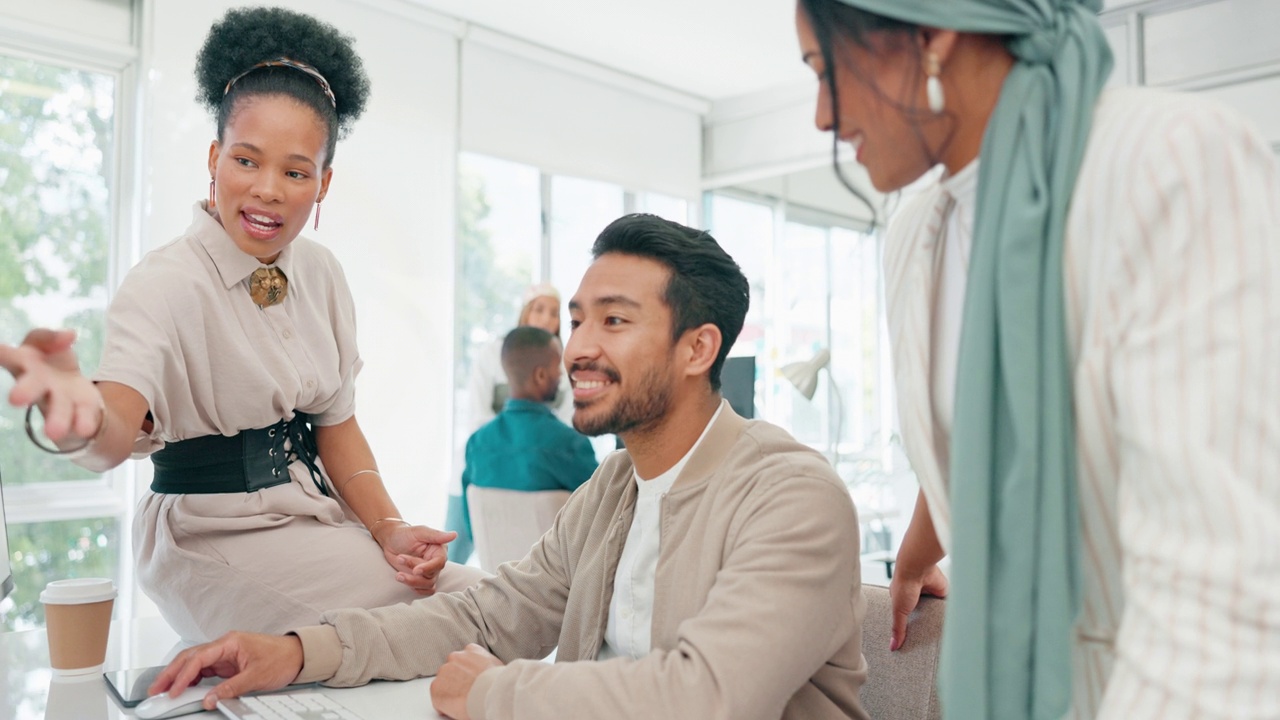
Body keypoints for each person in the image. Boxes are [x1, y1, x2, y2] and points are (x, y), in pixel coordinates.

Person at [147, 214, 870, 720]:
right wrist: (299, 653)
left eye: (613, 322)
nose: (578, 349)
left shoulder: (795, 497)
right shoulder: (613, 487)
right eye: (578, 319)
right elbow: (490, 616)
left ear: (697, 349)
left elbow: (709, 699)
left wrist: (497, 696)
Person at [795, 1, 1280, 718]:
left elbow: (1218, 596)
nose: (821, 117)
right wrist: (918, 551)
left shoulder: (1168, 161)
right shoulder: (915, 236)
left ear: (933, 31)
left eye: (823, 70)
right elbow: (989, 425)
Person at [0, 7, 484, 643]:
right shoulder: (166, 281)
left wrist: (389, 528)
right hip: (209, 534)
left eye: (295, 171)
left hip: (309, 520)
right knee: (475, 608)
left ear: (324, 182)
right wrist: (82, 417)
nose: (268, 190)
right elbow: (115, 430)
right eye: (247, 161)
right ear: (214, 158)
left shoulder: (321, 273)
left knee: (480, 607)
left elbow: (335, 425)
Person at [446, 283, 576, 561]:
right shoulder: (492, 353)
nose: (547, 319)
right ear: (525, 312)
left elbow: (566, 420)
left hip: (532, 473)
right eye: (539, 309)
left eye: (554, 312)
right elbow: (478, 416)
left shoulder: (563, 364)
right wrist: (516, 450)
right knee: (452, 557)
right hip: (485, 469)